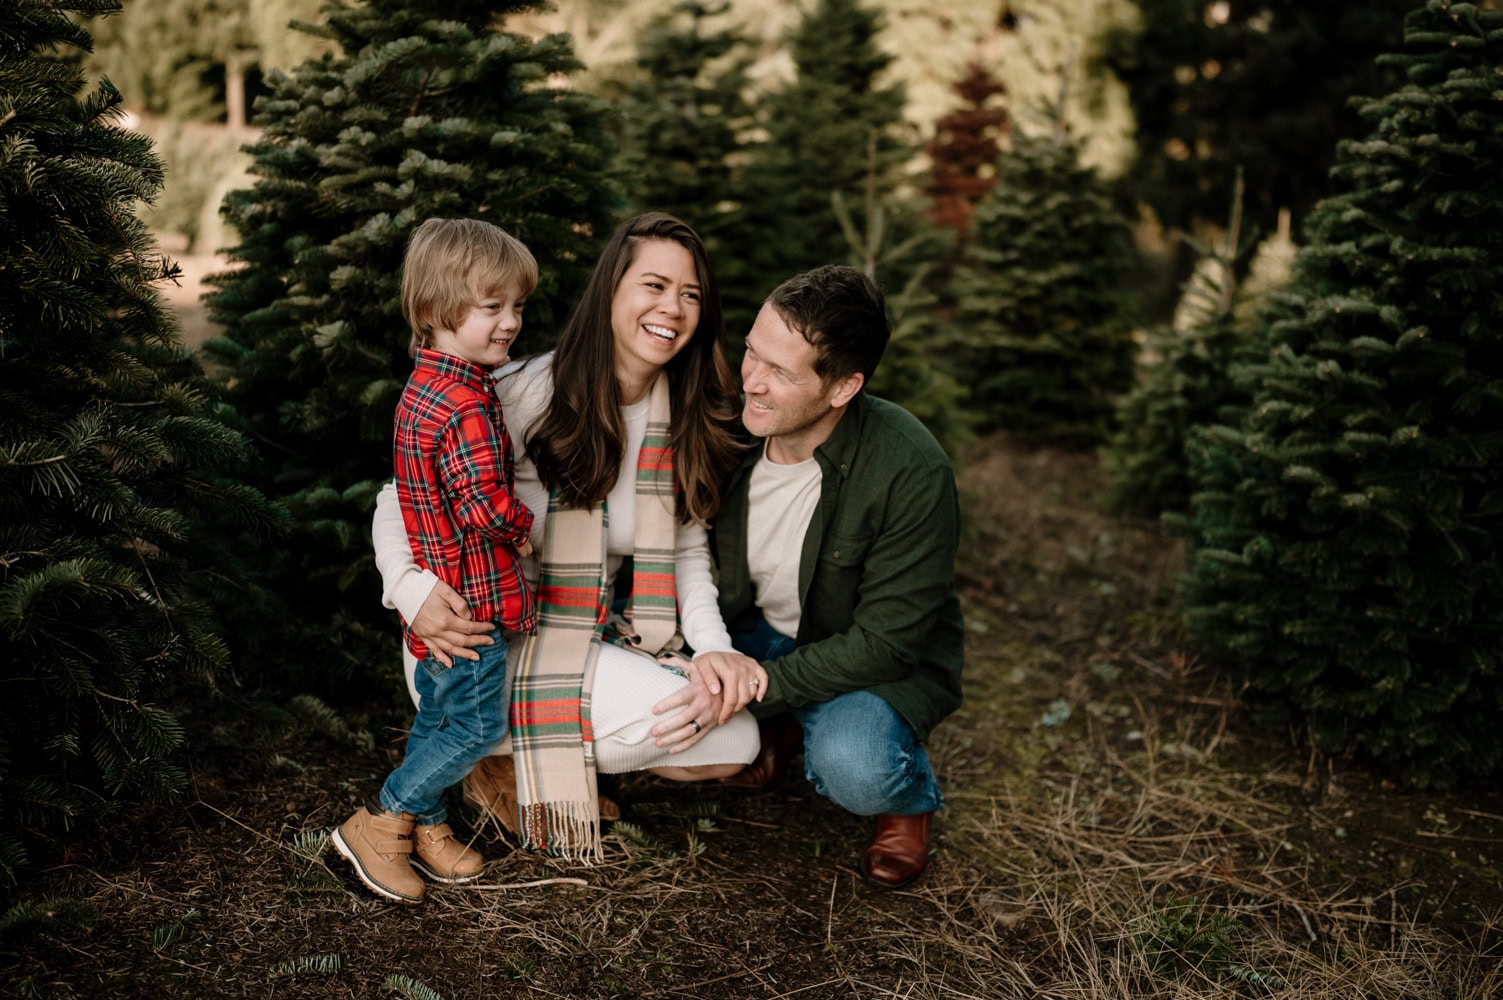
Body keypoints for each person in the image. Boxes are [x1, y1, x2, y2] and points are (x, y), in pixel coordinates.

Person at [371, 213, 766, 862]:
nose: (672, 307)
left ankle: (508, 763)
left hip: (576, 625)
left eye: (690, 294)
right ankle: (479, 754)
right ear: (610, 289)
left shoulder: (688, 415)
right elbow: (401, 494)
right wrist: (409, 590)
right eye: (654, 285)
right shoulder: (524, 390)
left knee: (731, 742)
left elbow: (689, 550)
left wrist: (713, 647)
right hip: (470, 637)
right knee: (697, 724)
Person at [714, 265, 965, 891]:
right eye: (751, 350)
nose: (753, 381)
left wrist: (763, 687)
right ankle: (773, 730)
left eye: (781, 372)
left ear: (843, 388)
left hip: (857, 657)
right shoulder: (725, 425)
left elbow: (885, 643)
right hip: (747, 631)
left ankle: (908, 802)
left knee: (857, 768)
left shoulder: (910, 468)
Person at [333, 218, 539, 905]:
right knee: (479, 727)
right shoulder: (466, 405)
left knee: (439, 719)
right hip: (471, 605)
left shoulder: (423, 388)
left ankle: (427, 825)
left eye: (516, 306)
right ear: (434, 311)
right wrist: (524, 525)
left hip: (445, 591)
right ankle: (382, 819)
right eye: (492, 307)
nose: (510, 321)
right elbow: (482, 503)